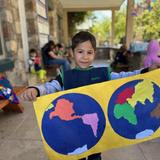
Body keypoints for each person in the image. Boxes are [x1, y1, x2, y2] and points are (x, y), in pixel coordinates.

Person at [20, 31, 160, 160]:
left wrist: (147, 70)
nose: (85, 56)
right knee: (78, 154)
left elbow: (125, 77)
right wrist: (36, 89)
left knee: (95, 154)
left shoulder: (103, 74)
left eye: (89, 52)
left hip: (96, 126)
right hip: (75, 128)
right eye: (80, 51)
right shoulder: (65, 76)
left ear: (94, 53)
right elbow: (50, 87)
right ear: (72, 53)